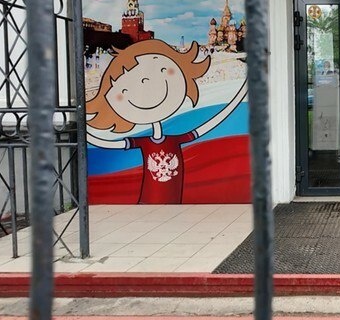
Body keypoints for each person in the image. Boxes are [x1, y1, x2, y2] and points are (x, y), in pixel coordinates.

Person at [85, 39, 247, 204]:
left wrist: (242, 93)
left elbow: (210, 124)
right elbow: (110, 144)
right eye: (124, 90)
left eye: (163, 70)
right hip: (148, 204)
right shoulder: (146, 142)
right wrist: (85, 134)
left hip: (173, 202)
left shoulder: (171, 140)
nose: (146, 83)